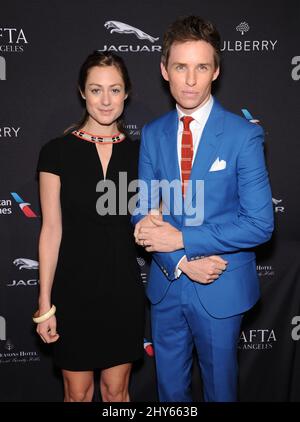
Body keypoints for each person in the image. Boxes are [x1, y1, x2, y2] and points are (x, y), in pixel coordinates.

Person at [133, 16, 274, 402]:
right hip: (168, 283)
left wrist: (184, 238)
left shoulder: (244, 135)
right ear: (165, 71)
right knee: (170, 395)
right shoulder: (152, 133)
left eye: (201, 67)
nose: (190, 80)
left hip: (221, 285)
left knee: (220, 393)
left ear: (216, 71)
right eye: (180, 67)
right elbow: (141, 211)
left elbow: (260, 224)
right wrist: (181, 259)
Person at [34, 51, 144, 402]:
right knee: (77, 394)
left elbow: (156, 221)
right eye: (96, 90)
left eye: (115, 89)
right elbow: (51, 230)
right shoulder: (56, 152)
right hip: (73, 292)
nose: (106, 100)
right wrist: (45, 303)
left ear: (127, 93)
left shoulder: (143, 154)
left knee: (117, 392)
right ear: (82, 92)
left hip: (122, 291)